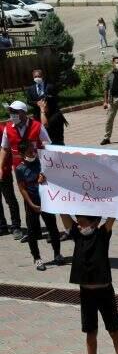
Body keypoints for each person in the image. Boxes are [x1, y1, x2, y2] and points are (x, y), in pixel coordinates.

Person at [56, 212, 118, 354]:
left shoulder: (102, 234)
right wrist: (50, 185)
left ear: (95, 223)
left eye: (82, 223)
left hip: (104, 291)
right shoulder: (77, 234)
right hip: (86, 293)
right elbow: (62, 211)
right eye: (78, 223)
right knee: (90, 332)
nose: (79, 226)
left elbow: (114, 213)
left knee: (114, 330)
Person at [0, 100, 52, 241]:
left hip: (38, 168)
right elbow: (4, 148)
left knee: (44, 197)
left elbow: (48, 147)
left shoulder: (37, 126)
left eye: (15, 112)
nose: (12, 115)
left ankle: (52, 232)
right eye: (11, 112)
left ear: (23, 113)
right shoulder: (8, 128)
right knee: (27, 198)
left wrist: (45, 171)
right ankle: (34, 232)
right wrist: (0, 166)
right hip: (20, 170)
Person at [15, 141, 64, 271]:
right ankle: (37, 259)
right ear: (21, 154)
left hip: (46, 201)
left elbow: (53, 178)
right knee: (32, 232)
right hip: (32, 203)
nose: (33, 153)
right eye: (30, 151)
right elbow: (22, 188)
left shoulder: (42, 162)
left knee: (52, 227)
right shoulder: (19, 169)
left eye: (34, 150)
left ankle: (57, 254)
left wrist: (43, 180)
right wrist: (31, 204)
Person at [25, 69, 67, 146]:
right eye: (35, 76)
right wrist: (37, 103)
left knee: (56, 138)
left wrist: (46, 99)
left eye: (39, 76)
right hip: (39, 115)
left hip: (53, 115)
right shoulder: (31, 89)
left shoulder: (50, 86)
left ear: (42, 76)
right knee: (43, 137)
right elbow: (29, 101)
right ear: (33, 78)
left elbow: (56, 98)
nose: (37, 78)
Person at [0, 122, 22, 239]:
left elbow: (6, 149)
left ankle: (16, 226)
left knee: (10, 199)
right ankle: (2, 226)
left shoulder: (2, 129)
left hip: (3, 171)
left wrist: (3, 166)